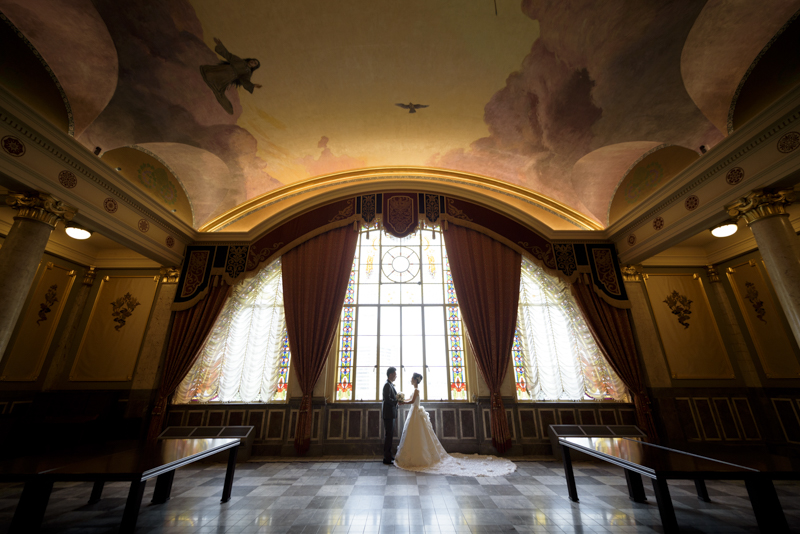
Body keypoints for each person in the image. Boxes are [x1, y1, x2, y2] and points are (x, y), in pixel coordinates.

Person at [393, 372, 516, 476]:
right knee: (414, 434)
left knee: (417, 434)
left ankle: (419, 456)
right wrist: (403, 400)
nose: (411, 380)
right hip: (414, 413)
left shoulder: (416, 390)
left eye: (412, 378)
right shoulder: (415, 390)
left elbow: (412, 401)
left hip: (415, 413)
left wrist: (402, 402)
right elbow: (410, 400)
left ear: (415, 380)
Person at [200, 37, 262, 114]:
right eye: (253, 60)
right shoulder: (240, 61)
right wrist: (220, 45)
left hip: (229, 77)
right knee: (209, 74)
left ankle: (228, 108)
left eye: (255, 63)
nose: (253, 62)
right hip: (224, 70)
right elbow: (229, 56)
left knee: (218, 89)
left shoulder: (247, 72)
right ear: (250, 59)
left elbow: (245, 80)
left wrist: (253, 85)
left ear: (254, 67)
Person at [382, 367, 399, 465]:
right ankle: (387, 458)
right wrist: (397, 401)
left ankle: (389, 455)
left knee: (390, 435)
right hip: (388, 414)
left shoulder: (390, 384)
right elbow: (387, 399)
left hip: (391, 413)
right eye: (395, 374)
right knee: (388, 435)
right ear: (391, 374)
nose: (396, 376)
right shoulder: (387, 385)